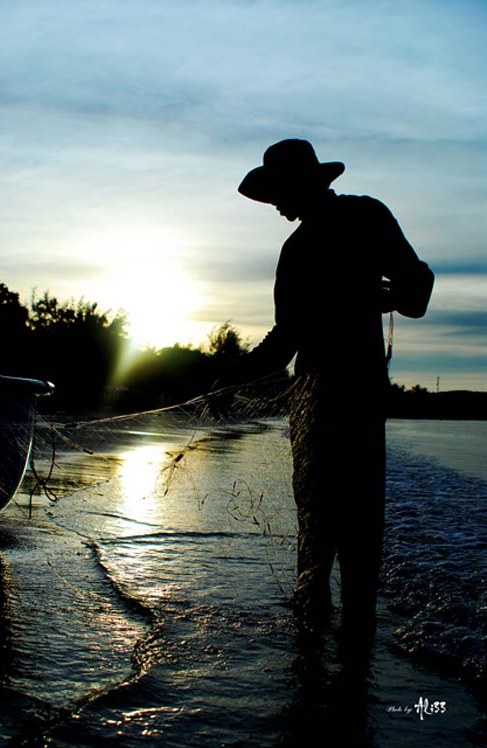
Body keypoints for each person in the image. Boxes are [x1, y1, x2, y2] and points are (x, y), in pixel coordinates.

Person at [218, 139, 434, 644]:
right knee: (316, 524)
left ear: (308, 185)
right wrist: (232, 380)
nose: (275, 205)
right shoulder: (296, 248)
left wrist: (389, 294)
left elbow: (417, 290)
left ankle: (346, 649)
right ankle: (314, 644)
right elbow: (284, 338)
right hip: (312, 404)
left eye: (279, 193)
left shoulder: (365, 216)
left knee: (356, 529)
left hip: (354, 399)